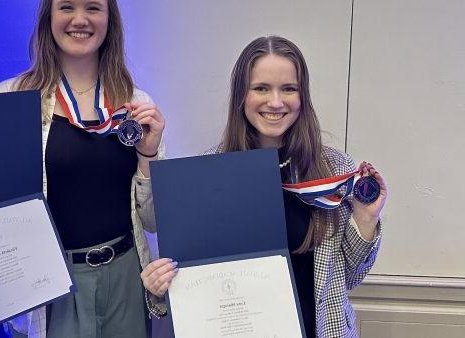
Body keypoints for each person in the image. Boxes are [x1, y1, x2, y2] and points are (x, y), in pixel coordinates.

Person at [0, 0, 165, 337]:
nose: (80, 19)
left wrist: (149, 154)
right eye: (67, 7)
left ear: (109, 19)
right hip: (49, 287)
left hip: (126, 277)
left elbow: (155, 222)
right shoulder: (10, 99)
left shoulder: (136, 104)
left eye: (93, 8)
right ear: (49, 17)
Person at [141, 36, 387, 337]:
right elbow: (196, 277)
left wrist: (366, 218)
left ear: (302, 96)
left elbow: (349, 277)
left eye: (288, 89)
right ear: (242, 96)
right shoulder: (207, 174)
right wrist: (160, 284)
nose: (275, 102)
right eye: (261, 88)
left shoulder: (334, 169)